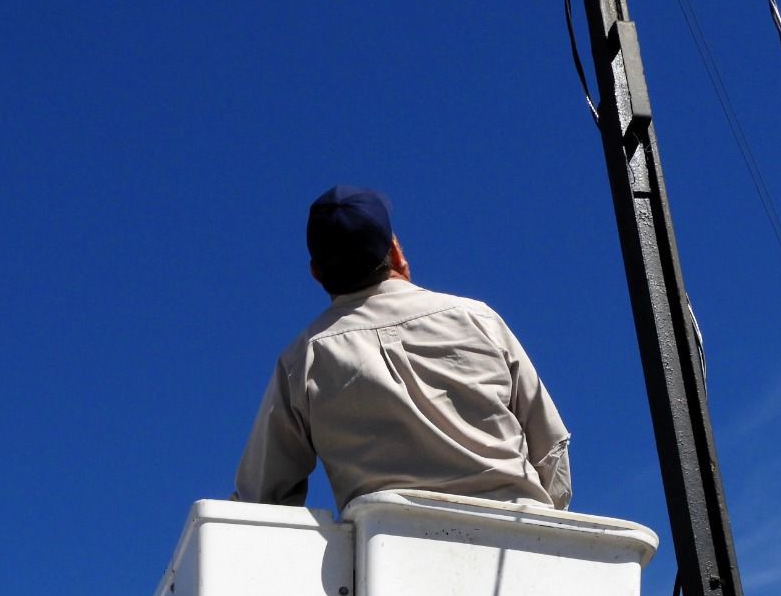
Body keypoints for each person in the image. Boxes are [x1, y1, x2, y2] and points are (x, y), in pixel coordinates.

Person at [234, 185, 572, 511]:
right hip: (522, 538)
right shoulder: (477, 318)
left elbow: (261, 500)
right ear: (395, 250)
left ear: (317, 274)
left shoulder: (304, 359)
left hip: (389, 553)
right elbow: (551, 448)